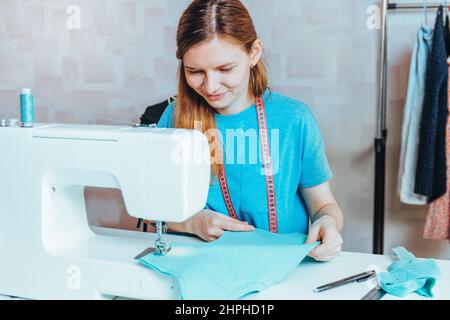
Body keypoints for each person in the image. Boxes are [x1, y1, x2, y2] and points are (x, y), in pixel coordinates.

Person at [157, 0, 344, 262]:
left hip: (285, 265)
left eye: (225, 69)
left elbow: (324, 205)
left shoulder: (294, 119)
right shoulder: (174, 119)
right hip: (204, 264)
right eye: (195, 71)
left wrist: (328, 224)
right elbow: (152, 210)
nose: (210, 86)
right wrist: (192, 223)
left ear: (254, 53)